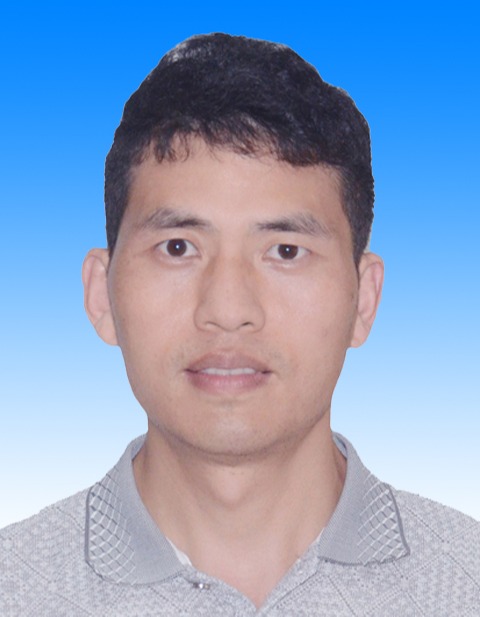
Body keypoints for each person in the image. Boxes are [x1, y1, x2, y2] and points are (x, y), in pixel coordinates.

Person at [1, 33, 479, 616]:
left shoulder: (466, 581)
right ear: (101, 293)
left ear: (364, 300)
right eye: (178, 247)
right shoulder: (14, 589)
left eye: (285, 251)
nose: (228, 310)